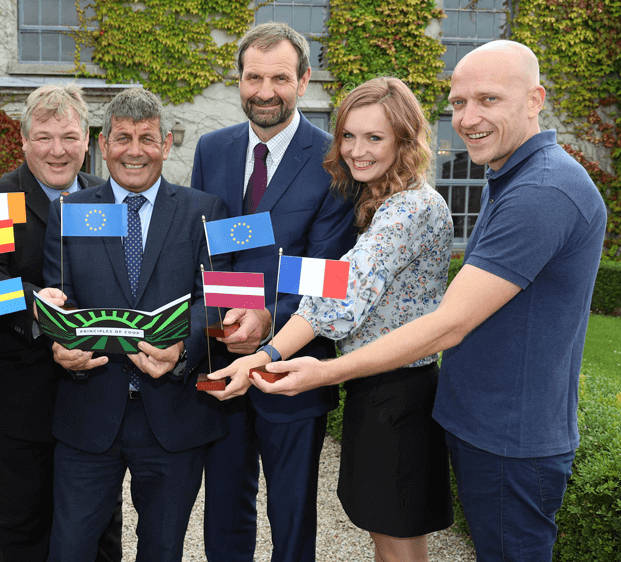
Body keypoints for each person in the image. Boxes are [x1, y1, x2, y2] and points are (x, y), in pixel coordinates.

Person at [266, 41, 608, 562]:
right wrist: (271, 282)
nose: (468, 117)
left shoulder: (534, 189)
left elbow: (395, 305)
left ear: (536, 99)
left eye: (488, 99)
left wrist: (283, 354)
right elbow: (342, 278)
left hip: (484, 423)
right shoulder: (498, 176)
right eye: (459, 102)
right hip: (467, 416)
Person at [210, 76, 455, 562]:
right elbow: (223, 247)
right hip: (376, 388)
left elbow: (339, 294)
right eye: (349, 136)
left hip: (398, 394)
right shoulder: (379, 198)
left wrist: (266, 350)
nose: (356, 151)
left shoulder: (409, 209)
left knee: (397, 536)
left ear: (405, 139)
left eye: (375, 138)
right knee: (387, 532)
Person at [189, 22, 356, 562]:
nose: (265, 91)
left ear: (303, 81)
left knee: (292, 518)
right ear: (237, 80)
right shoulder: (212, 150)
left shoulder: (334, 159)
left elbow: (327, 270)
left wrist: (268, 316)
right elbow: (207, 251)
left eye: (279, 77)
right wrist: (221, 322)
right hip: (220, 361)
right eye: (253, 77)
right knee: (224, 514)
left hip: (293, 368)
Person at [39, 87, 229, 561]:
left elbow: (217, 301)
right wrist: (58, 340)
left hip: (172, 418)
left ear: (166, 144)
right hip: (89, 414)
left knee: (162, 551)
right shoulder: (72, 210)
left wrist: (182, 347)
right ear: (103, 146)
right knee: (69, 550)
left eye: (147, 138)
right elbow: (58, 293)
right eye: (122, 138)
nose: (135, 150)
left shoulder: (204, 211)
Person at [0, 83, 122, 561]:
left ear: (87, 138)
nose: (58, 150)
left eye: (69, 137)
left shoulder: (111, 199)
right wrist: (34, 301)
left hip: (97, 394)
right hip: (18, 397)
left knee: (99, 529)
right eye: (44, 137)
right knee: (22, 526)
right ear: (23, 140)